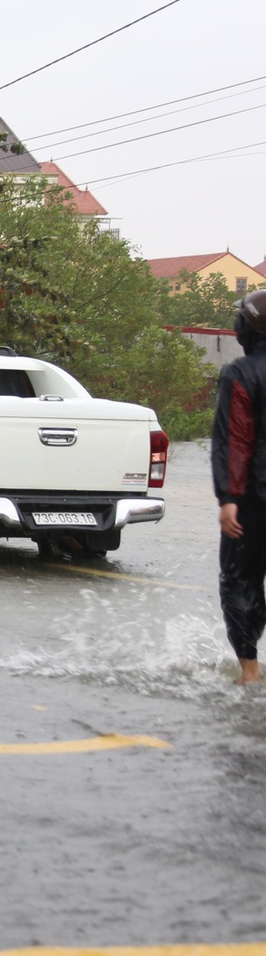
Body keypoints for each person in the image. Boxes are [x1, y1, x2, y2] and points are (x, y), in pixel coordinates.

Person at [214, 289, 266, 685]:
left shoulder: (240, 374)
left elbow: (237, 439)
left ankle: (250, 669)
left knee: (239, 578)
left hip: (253, 498)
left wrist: (229, 498)